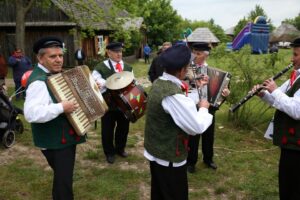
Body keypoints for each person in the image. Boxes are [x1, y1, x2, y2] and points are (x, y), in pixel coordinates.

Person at [144, 44, 213, 200]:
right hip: (168, 159)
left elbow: (177, 107)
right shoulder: (172, 95)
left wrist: (197, 87)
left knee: (159, 193)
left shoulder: (159, 82)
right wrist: (203, 108)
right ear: (182, 70)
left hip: (156, 152)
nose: (190, 69)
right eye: (188, 66)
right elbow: (196, 127)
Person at [24, 36, 86, 200]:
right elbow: (31, 113)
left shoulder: (54, 74)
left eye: (60, 55)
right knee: (63, 182)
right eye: (53, 56)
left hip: (62, 138)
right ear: (40, 58)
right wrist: (61, 108)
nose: (58, 60)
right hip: (55, 141)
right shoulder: (38, 82)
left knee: (63, 177)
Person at [252, 37, 300, 200]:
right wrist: (264, 94)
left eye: (295, 55)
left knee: (293, 186)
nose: (291, 59)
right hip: (290, 142)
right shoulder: (295, 76)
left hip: (297, 144)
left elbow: (296, 110)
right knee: (286, 182)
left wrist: (274, 90)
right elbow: (278, 100)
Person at [186, 42, 230, 172]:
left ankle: (208, 159)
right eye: (193, 52)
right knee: (193, 134)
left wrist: (225, 94)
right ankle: (190, 161)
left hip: (208, 105)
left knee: (209, 134)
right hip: (193, 104)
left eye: (198, 54)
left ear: (206, 56)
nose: (194, 56)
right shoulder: (188, 68)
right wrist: (192, 79)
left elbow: (222, 89)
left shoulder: (211, 71)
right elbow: (184, 83)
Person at [92, 42, 133, 164]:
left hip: (124, 104)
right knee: (107, 129)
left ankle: (120, 148)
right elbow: (96, 83)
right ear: (109, 53)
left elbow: (132, 82)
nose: (119, 54)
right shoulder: (100, 67)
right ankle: (109, 152)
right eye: (116, 52)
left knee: (123, 128)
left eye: (120, 51)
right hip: (108, 104)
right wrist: (105, 83)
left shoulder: (128, 67)